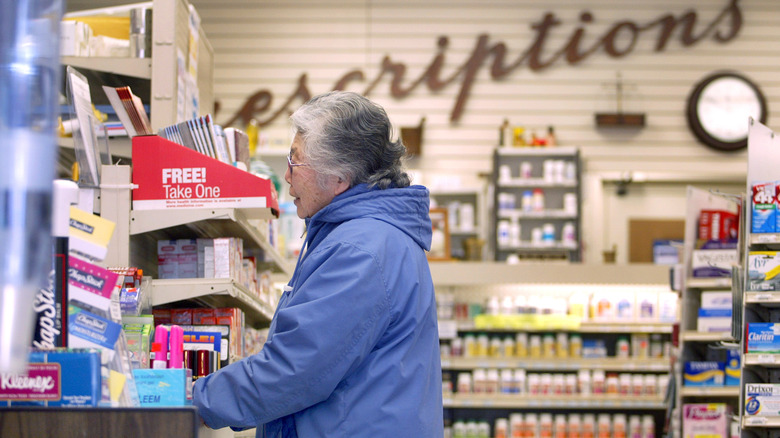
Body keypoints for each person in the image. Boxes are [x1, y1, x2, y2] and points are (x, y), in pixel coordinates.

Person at [193, 91, 444, 437]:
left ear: (339, 179)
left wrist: (198, 399)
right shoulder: (366, 237)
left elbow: (295, 369)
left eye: (296, 162)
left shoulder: (360, 250)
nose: (287, 175)